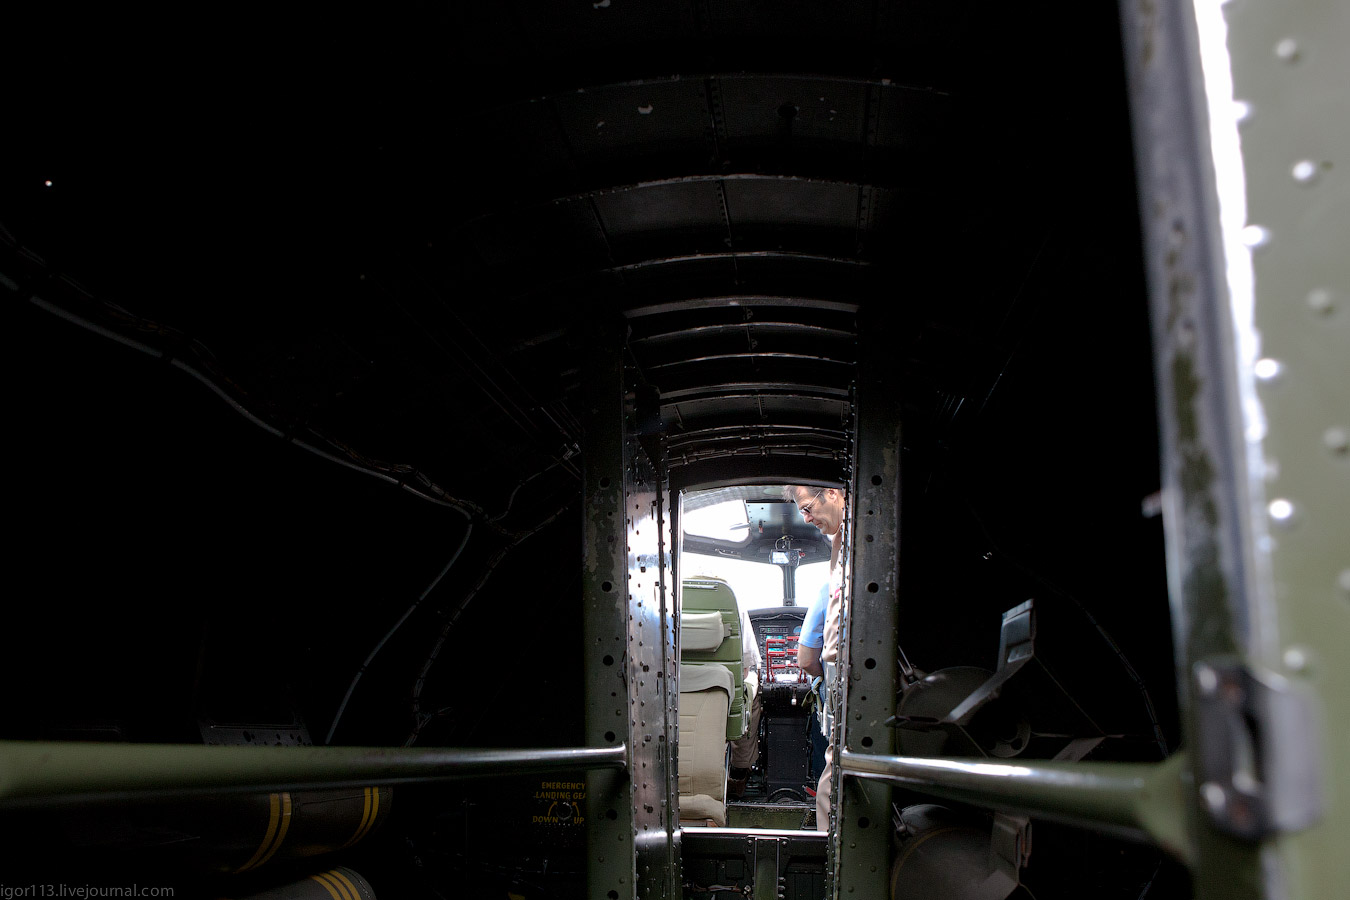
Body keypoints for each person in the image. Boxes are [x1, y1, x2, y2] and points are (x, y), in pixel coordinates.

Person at [786, 484, 847, 832]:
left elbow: (806, 660)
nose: (807, 519)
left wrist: (821, 677)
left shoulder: (830, 585)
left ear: (833, 493)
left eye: (808, 508)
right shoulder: (841, 550)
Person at [727, 608, 762, 799]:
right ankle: (739, 770)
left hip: (681, 685)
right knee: (750, 695)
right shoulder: (733, 603)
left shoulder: (675, 600)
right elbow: (744, 670)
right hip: (723, 686)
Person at [798, 582, 829, 783]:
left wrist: (824, 675)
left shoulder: (831, 590)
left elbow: (806, 661)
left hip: (839, 694)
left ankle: (821, 782)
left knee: (822, 705)